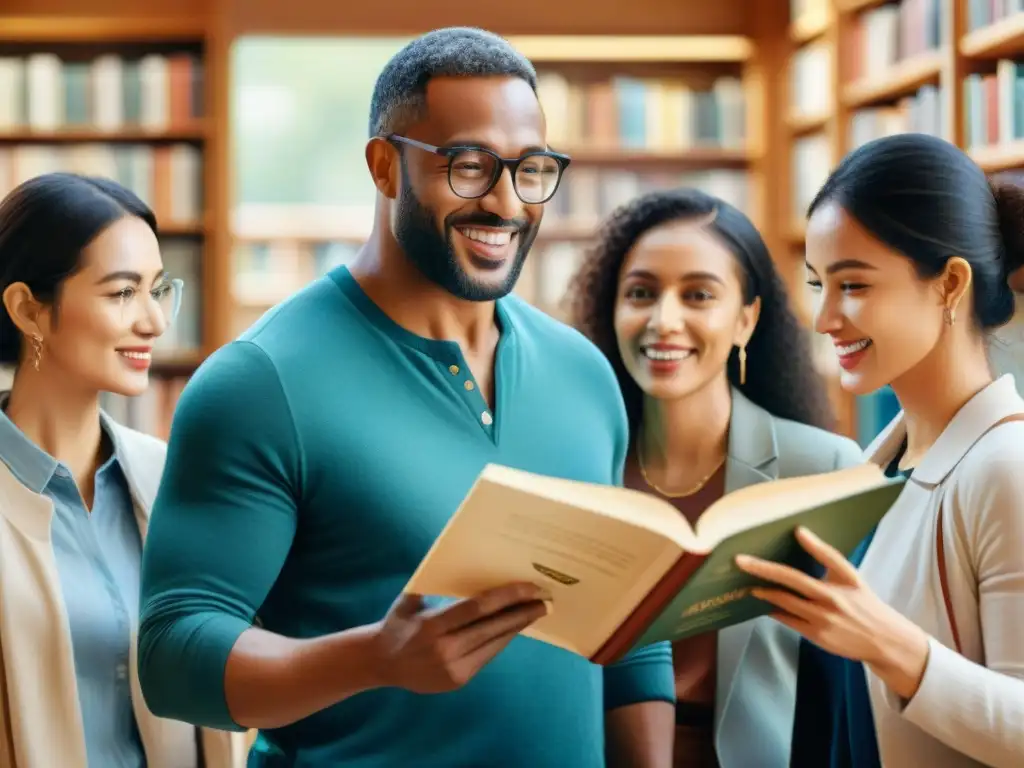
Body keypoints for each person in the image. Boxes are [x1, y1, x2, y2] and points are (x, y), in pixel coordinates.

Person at [136, 27, 675, 767]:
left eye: (531, 170)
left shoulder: (584, 374)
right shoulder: (260, 385)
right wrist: (375, 659)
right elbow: (172, 657)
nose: (507, 202)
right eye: (469, 166)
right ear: (385, 166)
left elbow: (630, 636)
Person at [735, 133, 1024, 768]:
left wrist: (894, 648)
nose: (825, 317)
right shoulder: (875, 465)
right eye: (819, 285)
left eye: (854, 285)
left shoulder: (1006, 469)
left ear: (950, 284)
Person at [567, 187, 863, 767]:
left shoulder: (828, 471)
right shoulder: (578, 466)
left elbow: (855, 694)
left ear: (745, 320)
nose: (663, 320)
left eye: (698, 294)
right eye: (641, 294)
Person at [0, 173, 247, 767]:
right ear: (28, 309)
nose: (155, 323)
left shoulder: (172, 478)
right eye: (121, 293)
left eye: (158, 289)